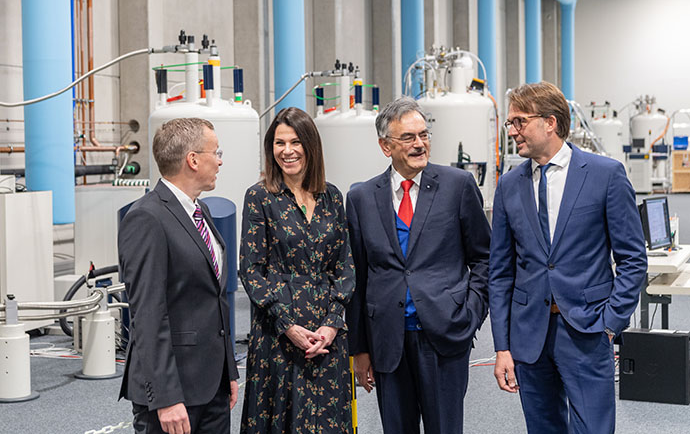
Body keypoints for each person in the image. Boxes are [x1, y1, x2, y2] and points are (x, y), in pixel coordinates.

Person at [489, 82, 647, 433]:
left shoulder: (605, 175)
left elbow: (633, 258)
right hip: (529, 336)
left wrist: (610, 324)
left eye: (519, 122)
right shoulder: (508, 185)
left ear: (550, 122)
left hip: (588, 330)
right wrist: (502, 346)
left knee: (593, 428)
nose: (512, 131)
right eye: (510, 123)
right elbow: (500, 273)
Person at [345, 97, 491, 434]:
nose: (419, 144)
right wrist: (360, 349)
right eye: (408, 138)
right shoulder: (361, 198)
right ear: (385, 146)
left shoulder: (458, 186)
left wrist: (470, 313)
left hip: (444, 333)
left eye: (423, 135)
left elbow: (484, 257)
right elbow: (358, 278)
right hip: (388, 340)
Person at [118, 117, 239, 434]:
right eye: (216, 152)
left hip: (211, 384)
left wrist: (229, 372)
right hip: (173, 392)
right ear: (193, 160)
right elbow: (147, 314)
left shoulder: (201, 212)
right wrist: (166, 398)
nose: (220, 160)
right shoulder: (147, 217)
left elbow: (213, 298)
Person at [239, 107, 355, 433]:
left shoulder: (332, 196)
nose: (287, 151)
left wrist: (332, 324)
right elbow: (250, 270)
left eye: (295, 142)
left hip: (325, 335)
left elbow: (345, 266)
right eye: (279, 143)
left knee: (327, 423)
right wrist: (287, 324)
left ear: (310, 145)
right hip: (277, 335)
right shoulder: (259, 197)